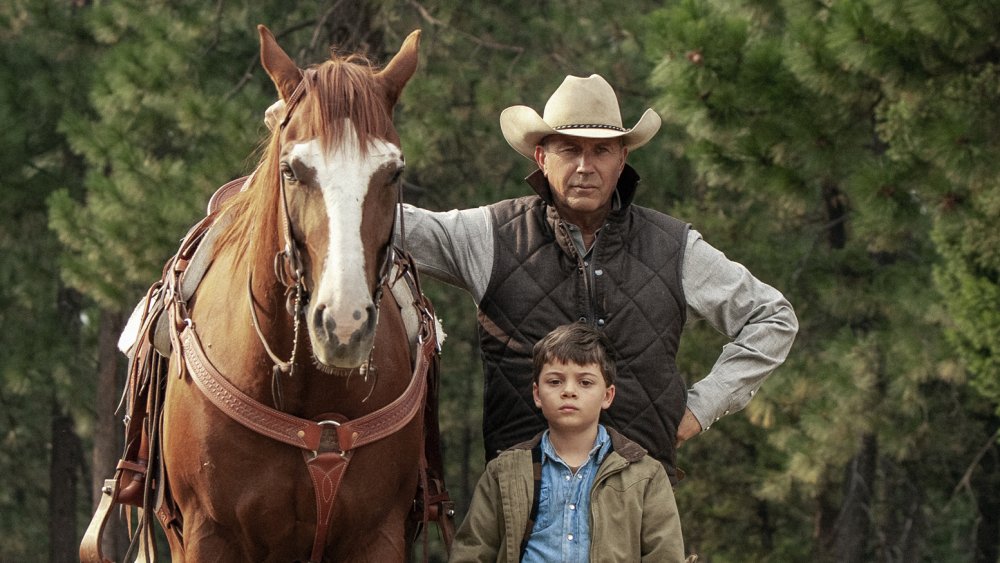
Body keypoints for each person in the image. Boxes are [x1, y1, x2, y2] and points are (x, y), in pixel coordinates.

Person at [398, 74, 799, 484]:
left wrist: (702, 406)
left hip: (638, 497)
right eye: (570, 149)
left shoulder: (675, 247)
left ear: (622, 159)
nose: (585, 167)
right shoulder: (490, 235)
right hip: (522, 500)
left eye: (601, 151)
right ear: (541, 157)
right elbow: (386, 222)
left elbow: (773, 317)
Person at [449, 322, 685, 562]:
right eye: (555, 381)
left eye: (585, 382)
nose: (569, 391)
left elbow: (665, 556)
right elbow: (472, 552)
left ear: (607, 395)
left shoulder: (646, 476)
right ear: (537, 394)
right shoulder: (503, 472)